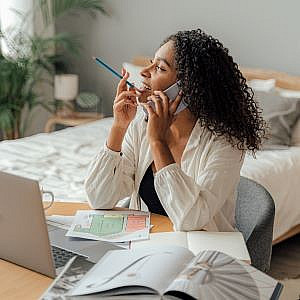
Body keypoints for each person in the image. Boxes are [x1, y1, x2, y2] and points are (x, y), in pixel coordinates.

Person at [85, 29, 266, 232]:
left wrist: (157, 142)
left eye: (160, 68)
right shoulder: (140, 127)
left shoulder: (226, 143)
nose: (144, 72)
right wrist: (119, 127)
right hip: (145, 247)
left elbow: (191, 219)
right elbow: (98, 198)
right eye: (150, 62)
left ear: (187, 89)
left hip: (200, 254)